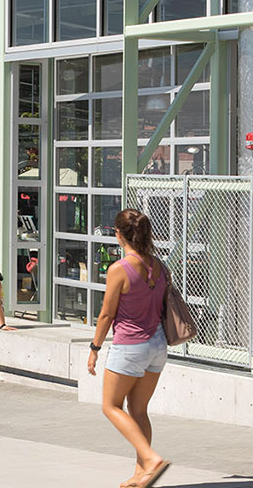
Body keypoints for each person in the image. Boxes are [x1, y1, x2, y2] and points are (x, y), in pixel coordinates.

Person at [87, 208, 171, 488]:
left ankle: (150, 458)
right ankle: (141, 475)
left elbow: (107, 315)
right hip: (158, 344)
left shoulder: (119, 269)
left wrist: (94, 348)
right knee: (138, 410)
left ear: (119, 234)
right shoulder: (159, 266)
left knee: (110, 406)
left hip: (130, 345)